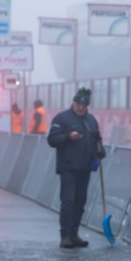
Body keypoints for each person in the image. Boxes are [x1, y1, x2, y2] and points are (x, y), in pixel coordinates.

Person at [47, 88, 105, 249]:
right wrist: (67, 137)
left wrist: (99, 150)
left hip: (85, 167)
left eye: (83, 105)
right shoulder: (62, 118)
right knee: (68, 201)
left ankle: (74, 234)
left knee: (80, 202)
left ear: (87, 105)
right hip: (68, 167)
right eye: (78, 104)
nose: (80, 107)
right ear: (73, 102)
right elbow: (52, 140)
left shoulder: (91, 120)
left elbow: (97, 138)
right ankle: (65, 236)